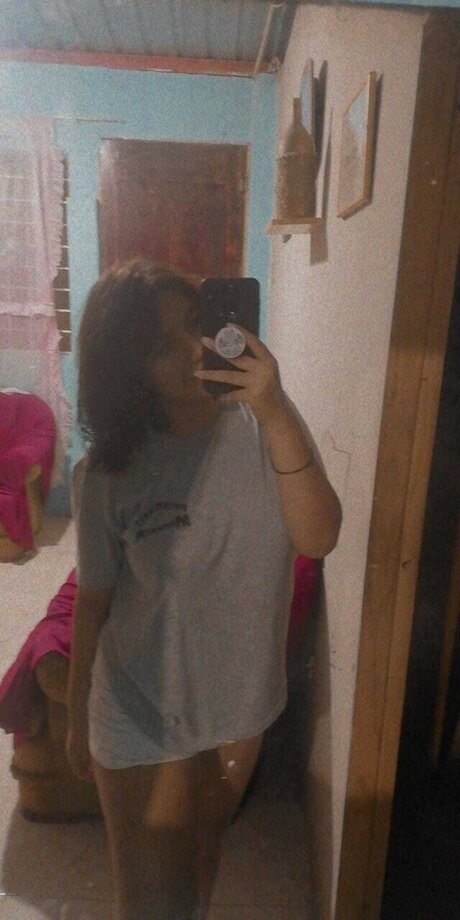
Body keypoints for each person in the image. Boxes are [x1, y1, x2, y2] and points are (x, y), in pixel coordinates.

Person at [66, 259, 341, 920]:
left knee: (200, 871)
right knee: (152, 906)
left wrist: (276, 410)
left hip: (240, 709)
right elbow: (93, 602)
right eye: (166, 345)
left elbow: (319, 537)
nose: (196, 349)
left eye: (197, 324)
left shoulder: (267, 425)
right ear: (130, 369)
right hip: (142, 708)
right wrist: (75, 719)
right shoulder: (107, 475)